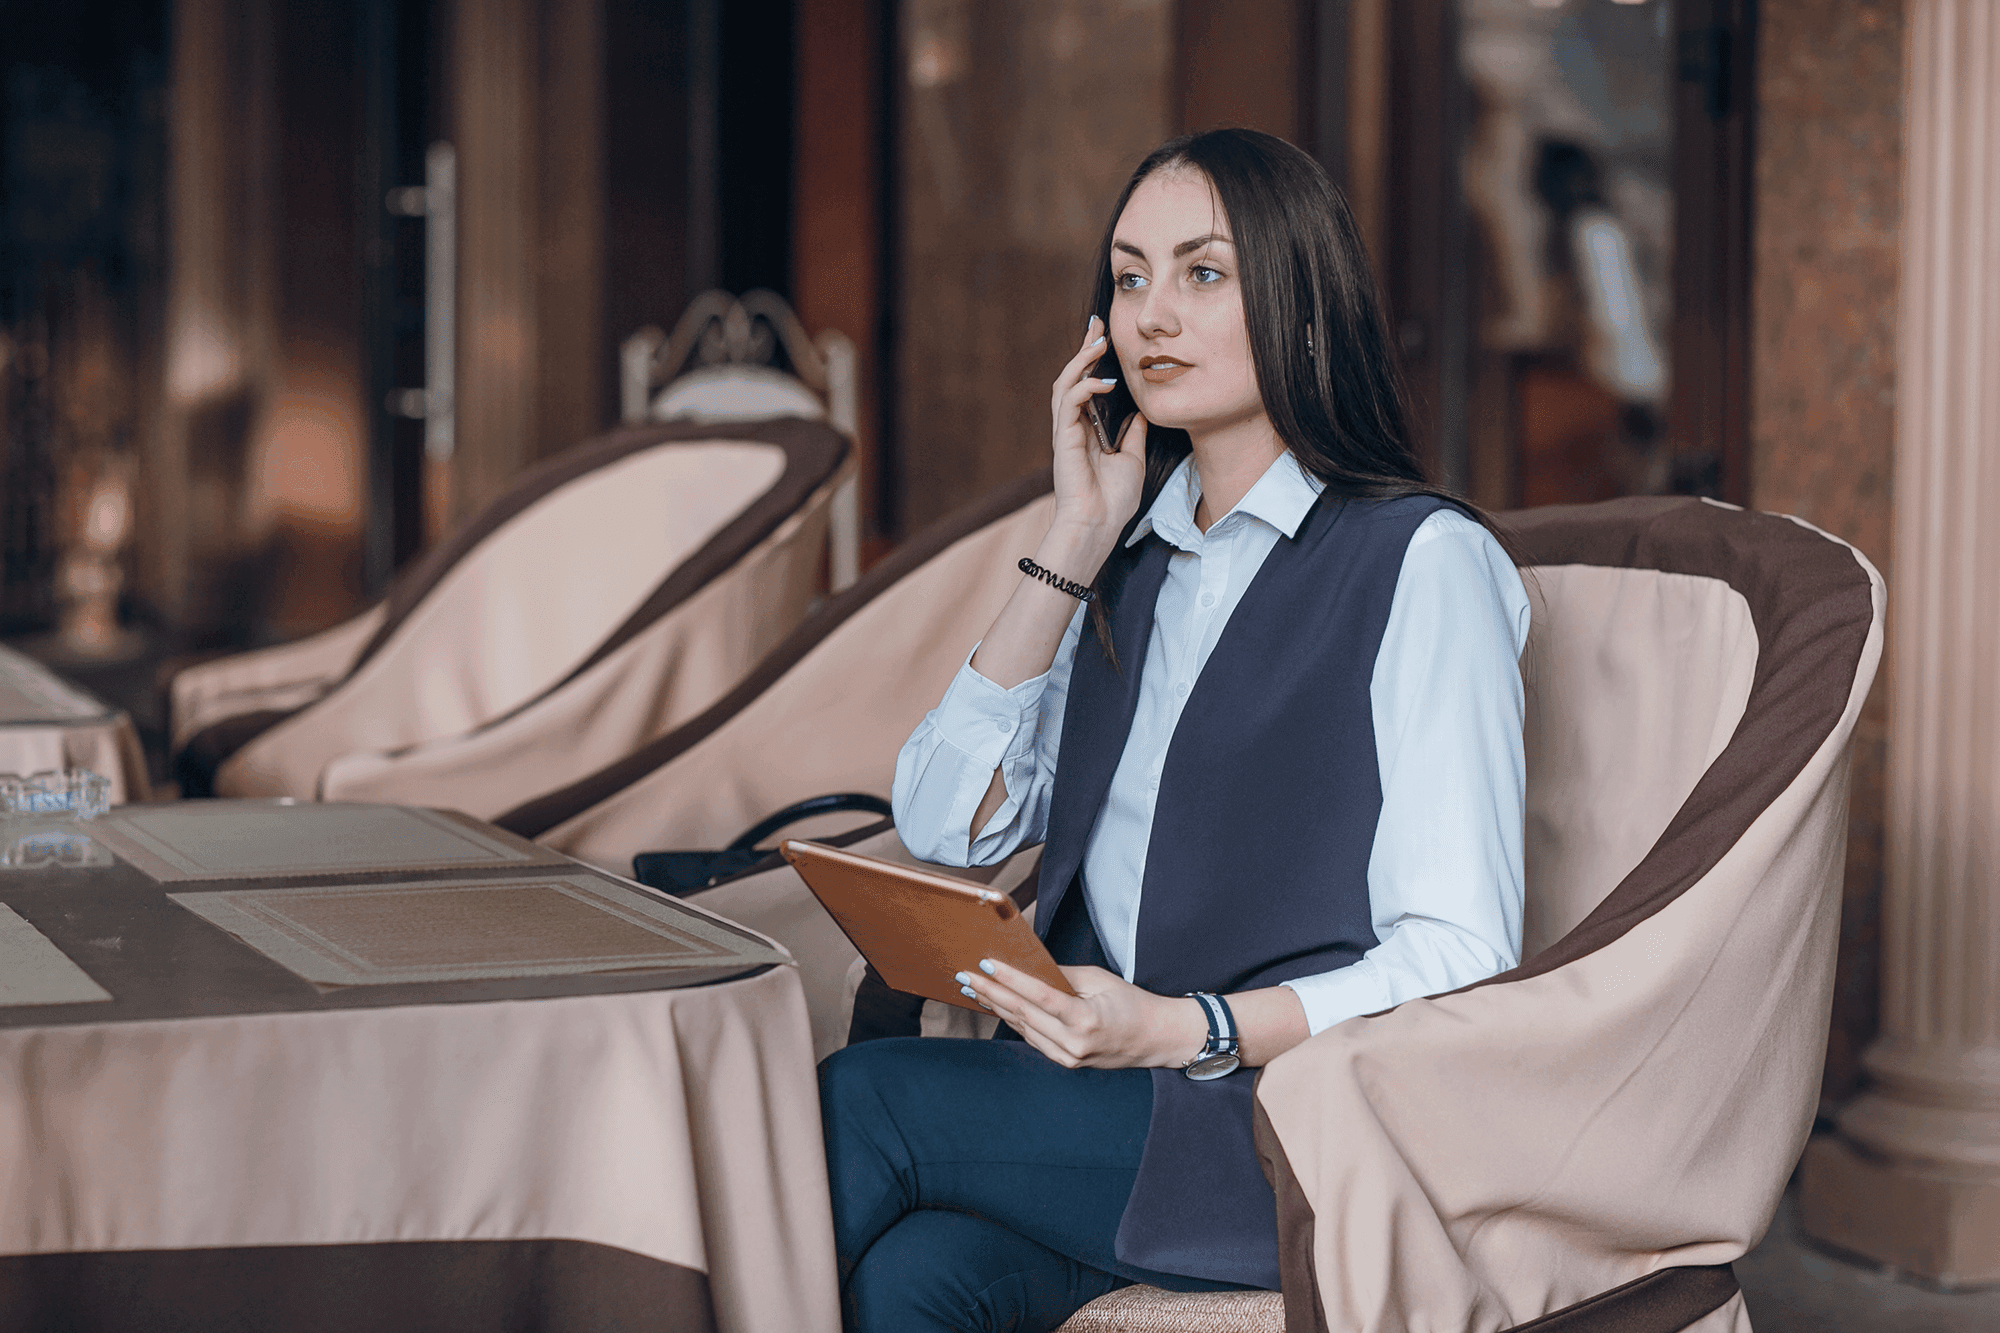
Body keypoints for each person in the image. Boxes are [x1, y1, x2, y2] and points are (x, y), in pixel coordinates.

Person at [818, 127, 1532, 1333]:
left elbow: (1464, 948)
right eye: (1127, 276)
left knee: (865, 1098)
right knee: (911, 1280)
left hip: (1280, 1120)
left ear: (1302, 302)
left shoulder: (1421, 562)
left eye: (1203, 273)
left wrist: (1182, 1026)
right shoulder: (1129, 561)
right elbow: (942, 824)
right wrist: (1074, 536)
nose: (1150, 314)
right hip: (1099, 1109)